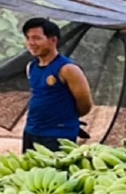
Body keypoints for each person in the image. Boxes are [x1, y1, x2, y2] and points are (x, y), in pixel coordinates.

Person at [21, 18, 92, 153]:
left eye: (36, 38)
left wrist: (66, 118)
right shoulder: (31, 67)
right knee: (29, 172)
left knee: (55, 172)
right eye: (28, 38)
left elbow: (85, 104)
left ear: (53, 40)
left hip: (58, 134)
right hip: (32, 130)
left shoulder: (68, 69)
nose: (31, 43)